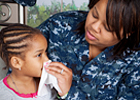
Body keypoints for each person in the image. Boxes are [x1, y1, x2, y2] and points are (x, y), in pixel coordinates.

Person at [37, 0, 140, 99]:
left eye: (108, 27)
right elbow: (22, 56)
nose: (94, 27)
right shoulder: (59, 24)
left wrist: (69, 94)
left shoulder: (135, 63)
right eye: (94, 15)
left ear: (128, 31)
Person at [0, 24, 72, 100]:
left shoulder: (48, 83)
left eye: (45, 53)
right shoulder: (4, 95)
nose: (47, 60)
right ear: (16, 62)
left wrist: (64, 93)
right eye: (39, 55)